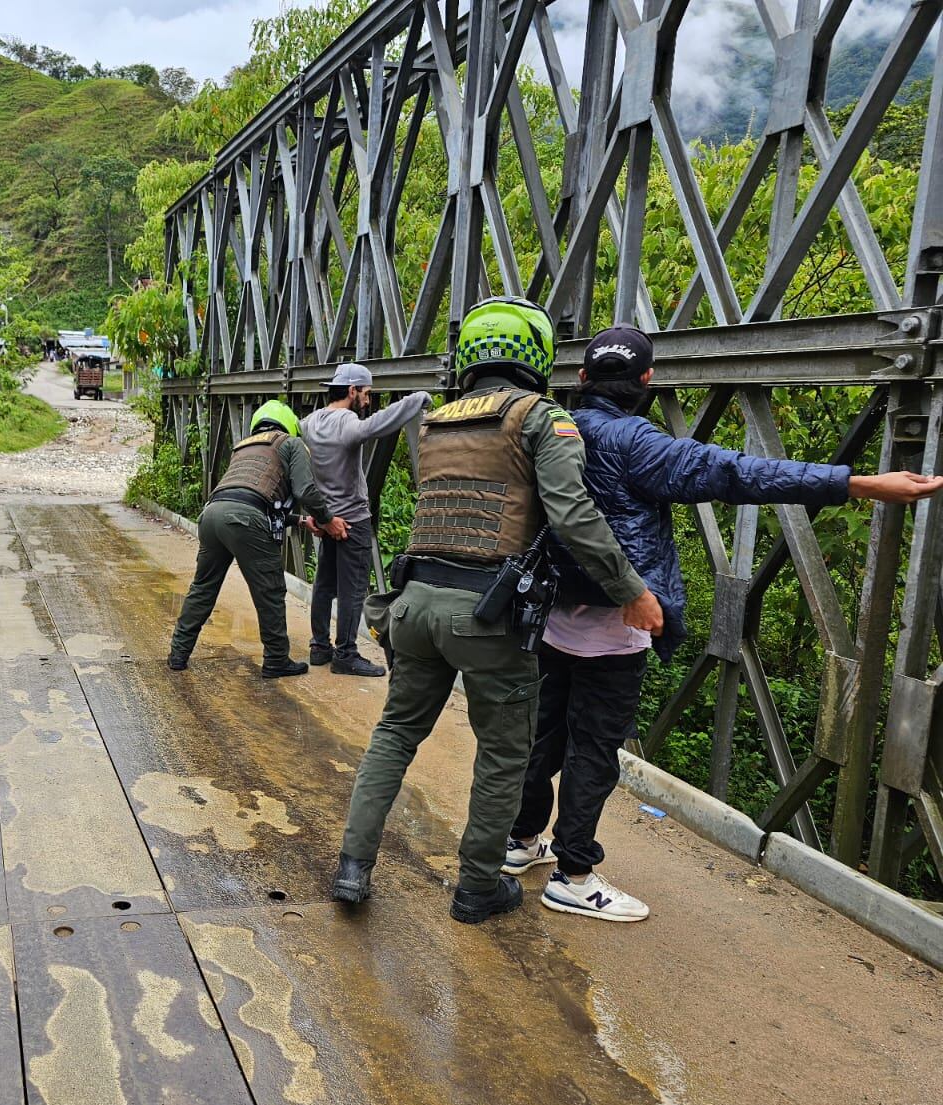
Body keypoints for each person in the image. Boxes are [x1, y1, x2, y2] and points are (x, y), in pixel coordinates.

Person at [506, 325, 943, 921]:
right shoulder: (639, 442)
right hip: (621, 622)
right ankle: (573, 873)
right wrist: (859, 482)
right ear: (647, 381)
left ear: (582, 379)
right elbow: (740, 474)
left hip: (550, 616)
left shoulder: (546, 430)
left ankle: (521, 839)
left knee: (544, 735)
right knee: (594, 751)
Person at [331, 296, 663, 924]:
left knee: (396, 733)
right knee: (505, 753)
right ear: (535, 353)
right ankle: (479, 886)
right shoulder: (543, 418)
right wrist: (630, 590)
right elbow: (572, 514)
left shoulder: (435, 422)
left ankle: (353, 867)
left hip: (413, 605)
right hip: (485, 616)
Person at [170, 399, 349, 678]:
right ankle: (277, 659)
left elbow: (253, 498)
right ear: (288, 424)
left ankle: (178, 653)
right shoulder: (290, 444)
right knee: (270, 590)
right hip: (245, 520)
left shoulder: (242, 447)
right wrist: (328, 519)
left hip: (212, 515)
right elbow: (304, 491)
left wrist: (302, 521)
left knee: (203, 587)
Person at [300, 364, 429, 677]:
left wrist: (317, 515)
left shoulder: (309, 423)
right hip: (353, 522)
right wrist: (417, 400)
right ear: (352, 390)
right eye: (366, 393)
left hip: (328, 520)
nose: (368, 401)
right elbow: (373, 427)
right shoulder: (347, 422)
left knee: (324, 584)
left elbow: (302, 470)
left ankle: (320, 647)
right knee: (353, 590)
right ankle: (345, 654)